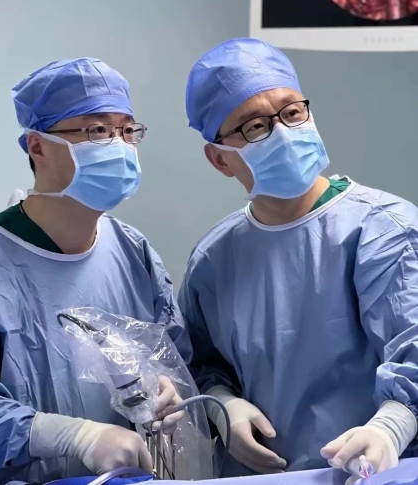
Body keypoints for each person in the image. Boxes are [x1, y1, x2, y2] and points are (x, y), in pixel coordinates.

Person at [0, 58, 191, 485]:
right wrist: (70, 437)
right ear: (38, 147)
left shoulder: (134, 252)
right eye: (97, 130)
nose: (119, 145)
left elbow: (173, 356)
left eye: (127, 130)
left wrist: (167, 392)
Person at [179, 38, 418, 484]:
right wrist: (223, 404)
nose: (284, 133)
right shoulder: (214, 259)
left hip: (376, 474)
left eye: (292, 112)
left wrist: (391, 428)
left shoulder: (384, 230)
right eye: (255, 126)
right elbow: (200, 362)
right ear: (219, 159)